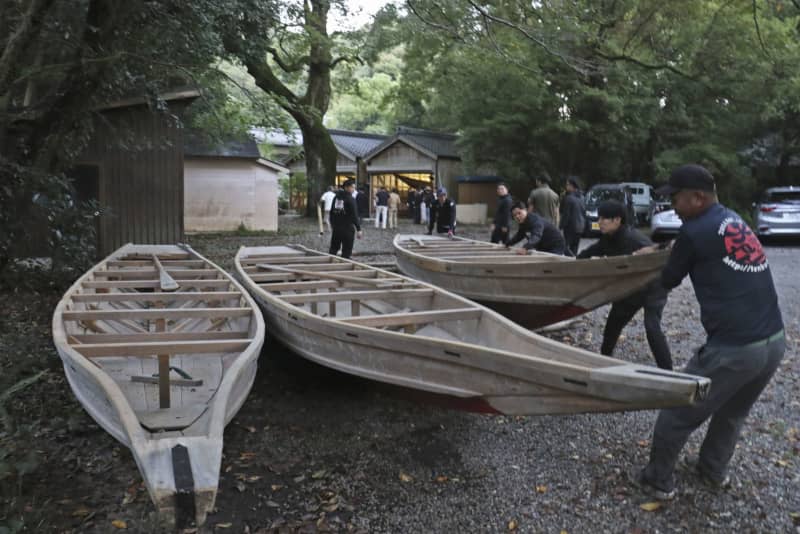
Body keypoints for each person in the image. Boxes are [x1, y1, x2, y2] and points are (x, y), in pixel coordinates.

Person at [632, 164, 784, 501]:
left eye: (676, 198)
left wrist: (628, 282)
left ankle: (657, 481)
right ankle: (712, 472)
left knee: (677, 412)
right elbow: (697, 246)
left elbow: (667, 279)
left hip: (736, 349)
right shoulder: (729, 218)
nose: (672, 205)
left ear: (697, 198)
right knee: (732, 413)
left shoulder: (693, 232)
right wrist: (660, 250)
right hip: (774, 341)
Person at [577, 200, 672, 370]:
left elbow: (662, 260)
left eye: (604, 219)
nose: (600, 222)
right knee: (613, 324)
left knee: (652, 327)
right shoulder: (608, 238)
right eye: (599, 218)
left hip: (654, 286)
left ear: (617, 220)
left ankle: (669, 372)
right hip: (630, 288)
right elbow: (588, 252)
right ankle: (603, 364)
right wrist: (572, 265)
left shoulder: (634, 239)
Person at [329, 180, 363, 259]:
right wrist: (359, 229)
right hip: (347, 227)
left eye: (354, 187)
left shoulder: (336, 197)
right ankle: (345, 264)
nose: (354, 189)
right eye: (352, 187)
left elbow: (332, 212)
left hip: (336, 227)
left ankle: (329, 263)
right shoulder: (350, 199)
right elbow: (354, 214)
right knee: (347, 250)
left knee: (333, 248)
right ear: (346, 187)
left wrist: (332, 223)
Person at [559, 176, 585, 256]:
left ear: (572, 186)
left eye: (567, 185)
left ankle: (571, 261)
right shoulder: (582, 197)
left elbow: (566, 215)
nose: (566, 186)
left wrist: (560, 227)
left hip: (571, 227)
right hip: (580, 226)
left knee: (565, 247)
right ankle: (574, 261)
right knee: (574, 248)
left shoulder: (569, 198)